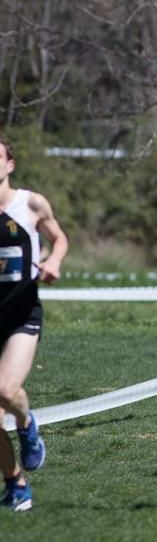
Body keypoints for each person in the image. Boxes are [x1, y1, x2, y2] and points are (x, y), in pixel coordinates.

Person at [0, 136, 68, 512]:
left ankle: (26, 425)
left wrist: (54, 261)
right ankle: (17, 486)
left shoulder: (31, 203)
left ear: (10, 165)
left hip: (21, 316)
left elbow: (59, 239)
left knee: (6, 390)